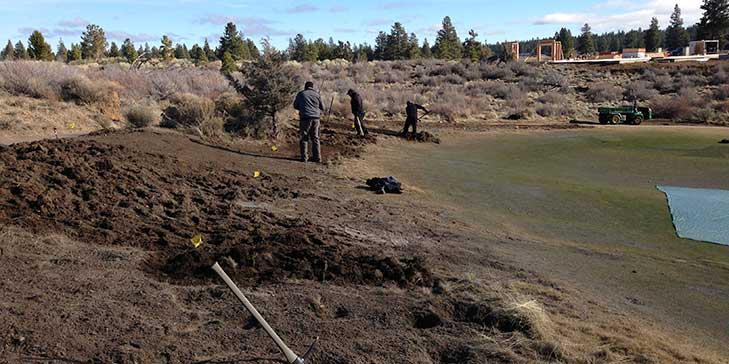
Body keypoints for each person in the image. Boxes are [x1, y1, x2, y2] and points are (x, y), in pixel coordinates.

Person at [294, 81, 324, 163]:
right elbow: (322, 107)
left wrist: (302, 108)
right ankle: (317, 158)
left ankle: (304, 157)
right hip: (316, 119)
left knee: (304, 137)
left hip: (305, 118)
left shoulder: (301, 94)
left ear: (305, 87)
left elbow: (295, 105)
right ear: (312, 87)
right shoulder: (317, 94)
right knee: (315, 138)